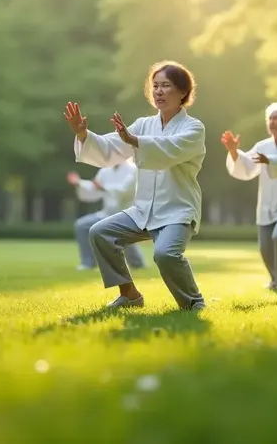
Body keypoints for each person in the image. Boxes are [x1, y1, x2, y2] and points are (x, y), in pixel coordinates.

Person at [63, 60, 207, 310]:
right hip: (143, 210)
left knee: (165, 255)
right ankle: (129, 295)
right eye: (155, 86)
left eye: (166, 86)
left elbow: (169, 150)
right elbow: (112, 148)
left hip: (177, 210)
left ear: (183, 92)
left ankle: (193, 303)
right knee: (100, 232)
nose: (159, 91)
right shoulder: (144, 124)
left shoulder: (193, 128)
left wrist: (135, 141)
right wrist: (82, 135)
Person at [222, 102, 277, 291]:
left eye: (276, 118)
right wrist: (233, 151)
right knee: (266, 248)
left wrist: (270, 160)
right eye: (270, 118)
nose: (271, 122)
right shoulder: (263, 145)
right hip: (267, 205)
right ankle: (276, 280)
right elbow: (246, 165)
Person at [67, 158, 145, 271]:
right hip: (106, 214)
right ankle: (88, 263)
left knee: (123, 236)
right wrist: (79, 183)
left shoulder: (133, 170)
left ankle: (137, 263)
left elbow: (125, 190)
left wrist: (103, 187)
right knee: (82, 225)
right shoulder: (105, 171)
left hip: (128, 214)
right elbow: (94, 188)